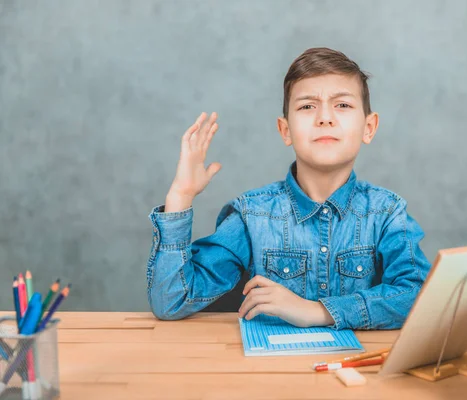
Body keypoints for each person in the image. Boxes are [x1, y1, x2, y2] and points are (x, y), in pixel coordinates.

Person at [147, 47, 431, 330]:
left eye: (342, 105)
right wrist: (180, 197)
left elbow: (420, 297)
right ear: (285, 130)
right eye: (307, 106)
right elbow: (171, 301)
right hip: (273, 372)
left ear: (369, 127)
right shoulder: (252, 217)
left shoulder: (387, 213)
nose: (324, 118)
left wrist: (317, 311)